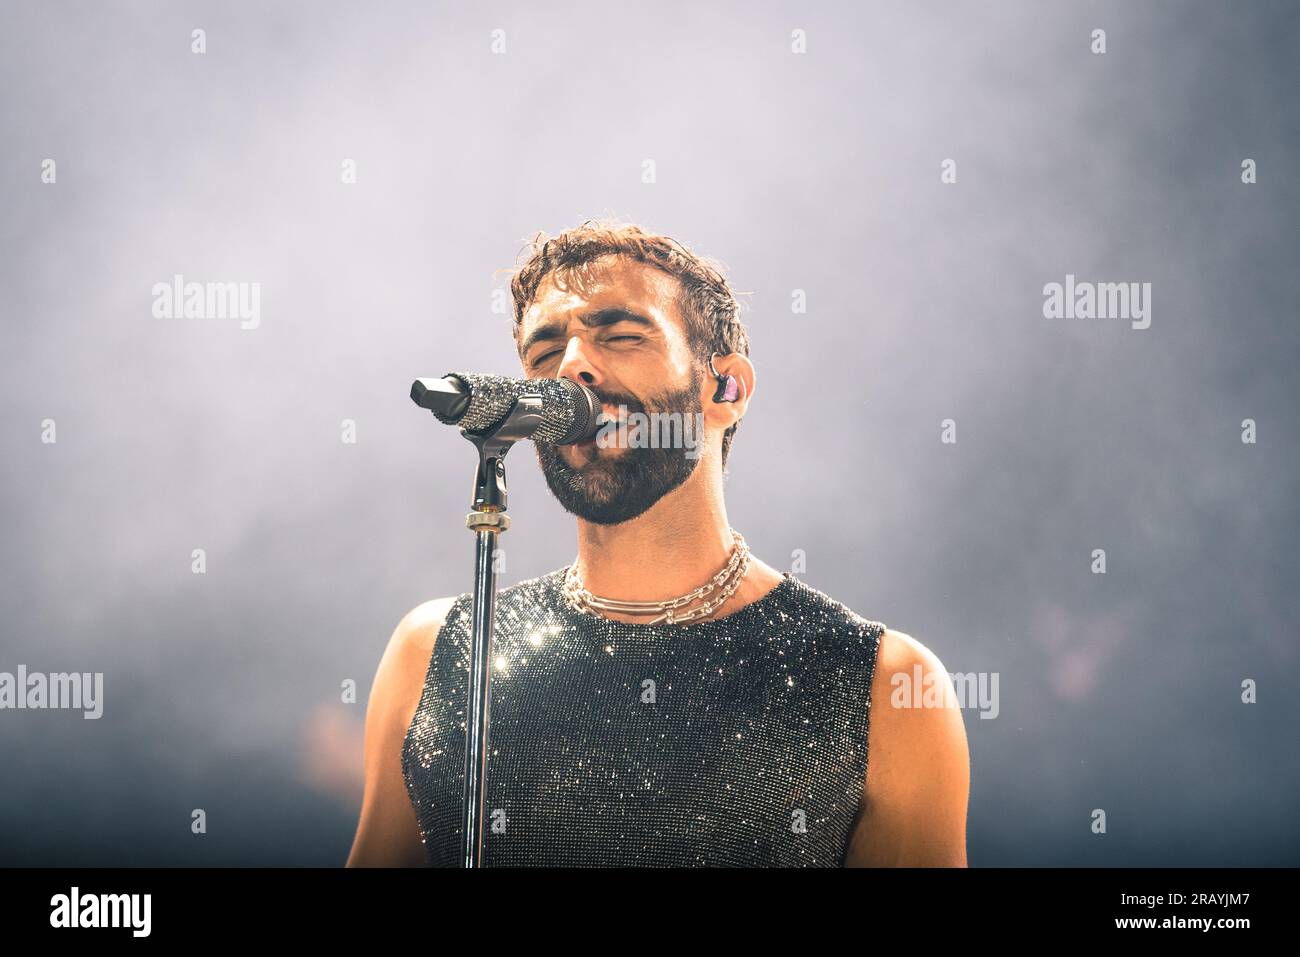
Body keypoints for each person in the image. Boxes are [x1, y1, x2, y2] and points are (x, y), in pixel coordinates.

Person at [347, 221, 969, 867]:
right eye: (544, 353)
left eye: (620, 334)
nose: (573, 367)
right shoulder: (439, 651)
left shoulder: (886, 685)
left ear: (726, 389)